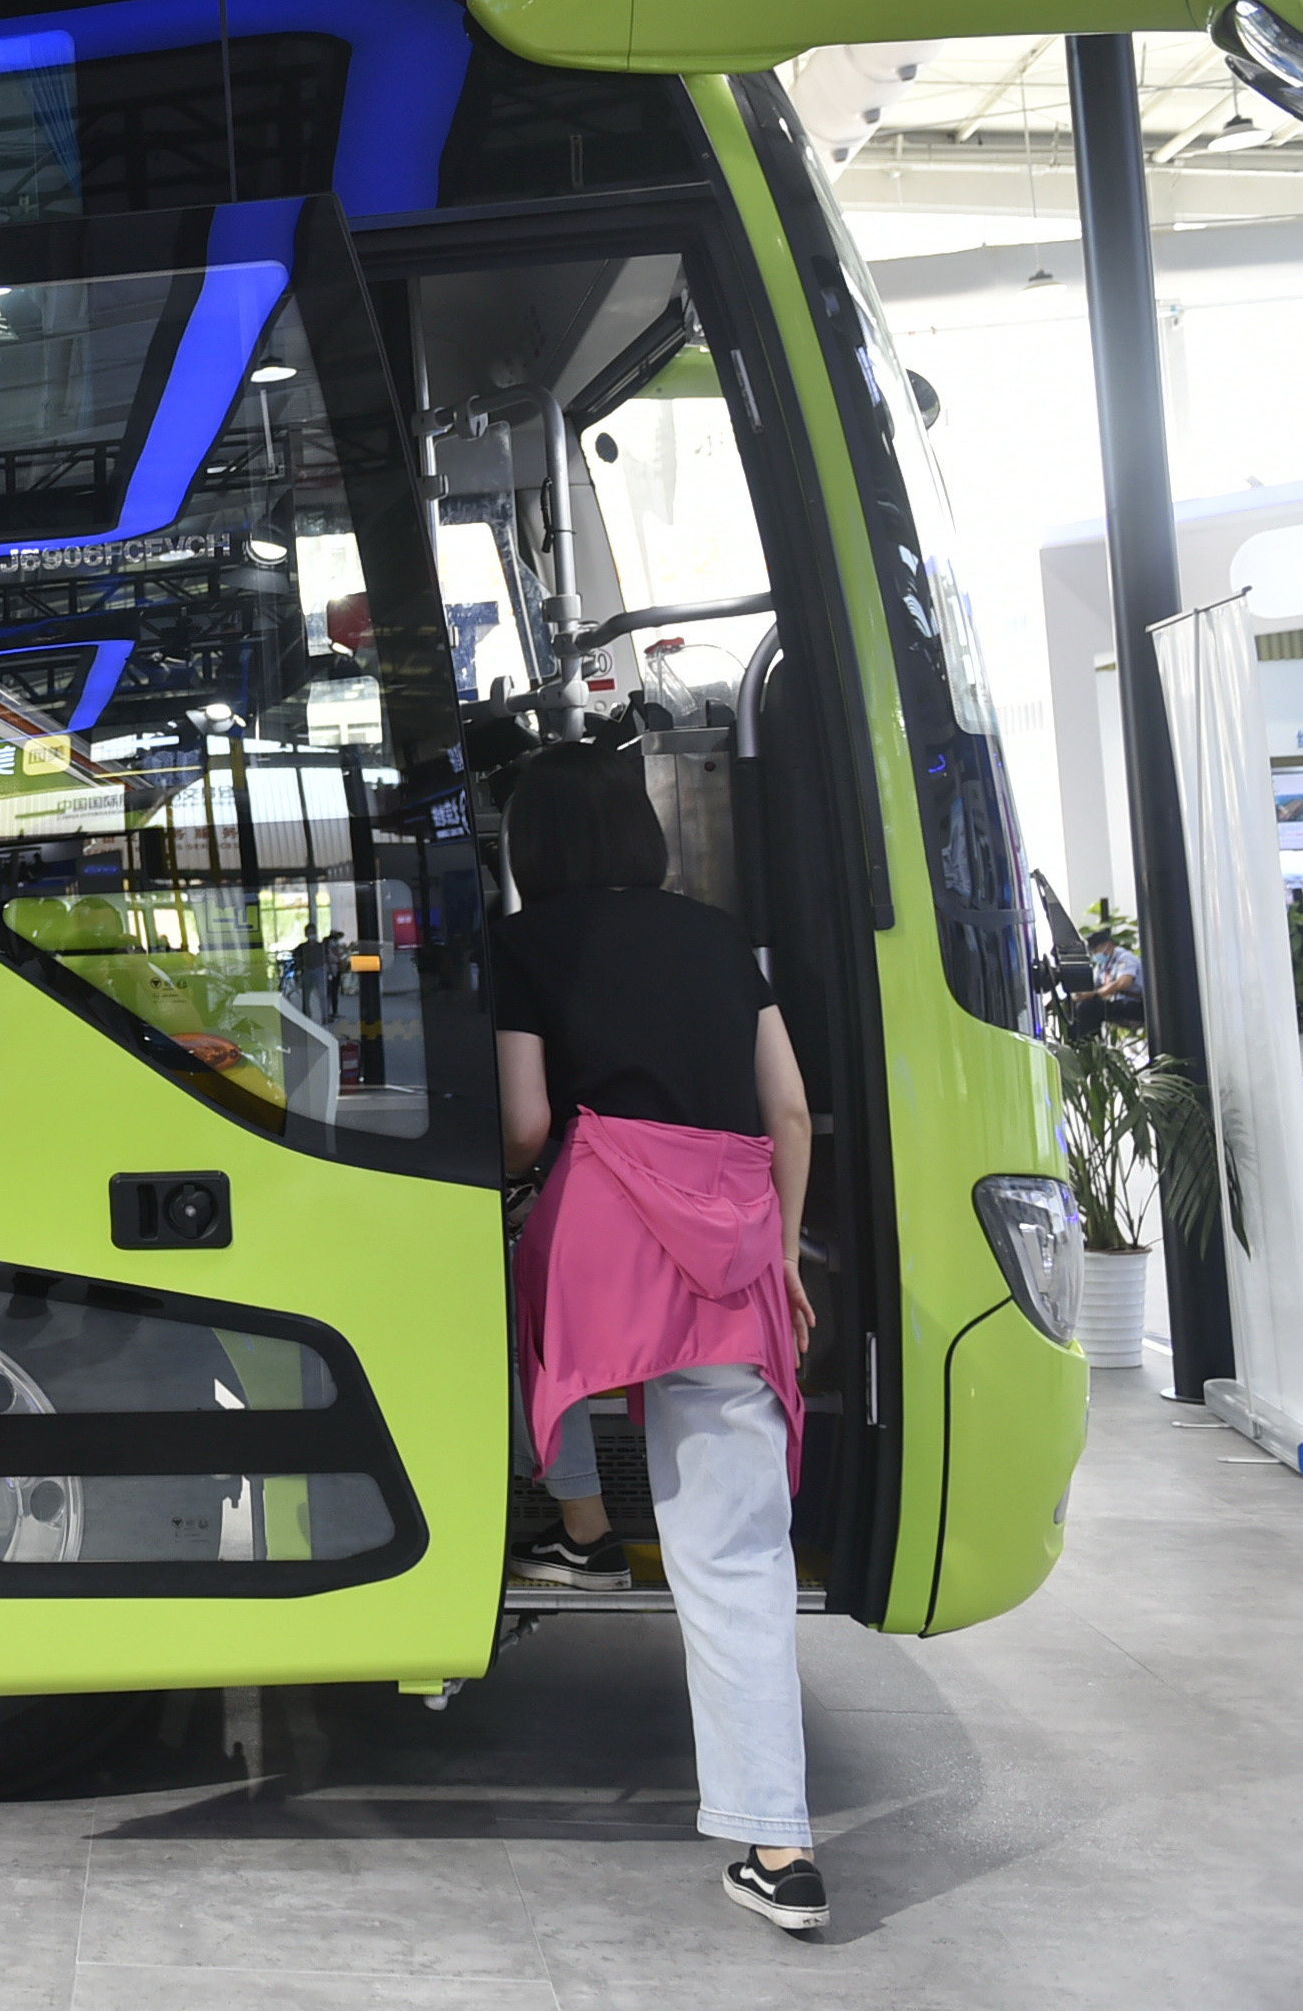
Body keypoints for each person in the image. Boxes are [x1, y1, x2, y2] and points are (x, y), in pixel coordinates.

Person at [490, 742, 828, 1936]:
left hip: (601, 1232)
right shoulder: (718, 936)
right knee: (735, 1551)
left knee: (529, 1348)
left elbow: (526, 1123)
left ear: (531, 846)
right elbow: (785, 1104)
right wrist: (783, 1249)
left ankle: (579, 1521)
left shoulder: (524, 946)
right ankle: (778, 1845)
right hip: (728, 1236)